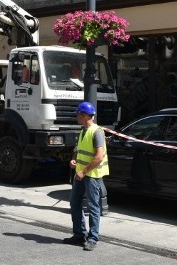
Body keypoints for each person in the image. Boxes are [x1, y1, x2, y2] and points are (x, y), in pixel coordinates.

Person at [63, 101, 108, 252]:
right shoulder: (83, 131)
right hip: (80, 174)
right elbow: (81, 150)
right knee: (74, 203)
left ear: (84, 115)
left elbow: (99, 157)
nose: (77, 116)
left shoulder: (97, 132)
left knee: (93, 207)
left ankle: (93, 238)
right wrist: (74, 160)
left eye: (78, 114)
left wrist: (83, 171)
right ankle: (79, 235)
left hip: (91, 176)